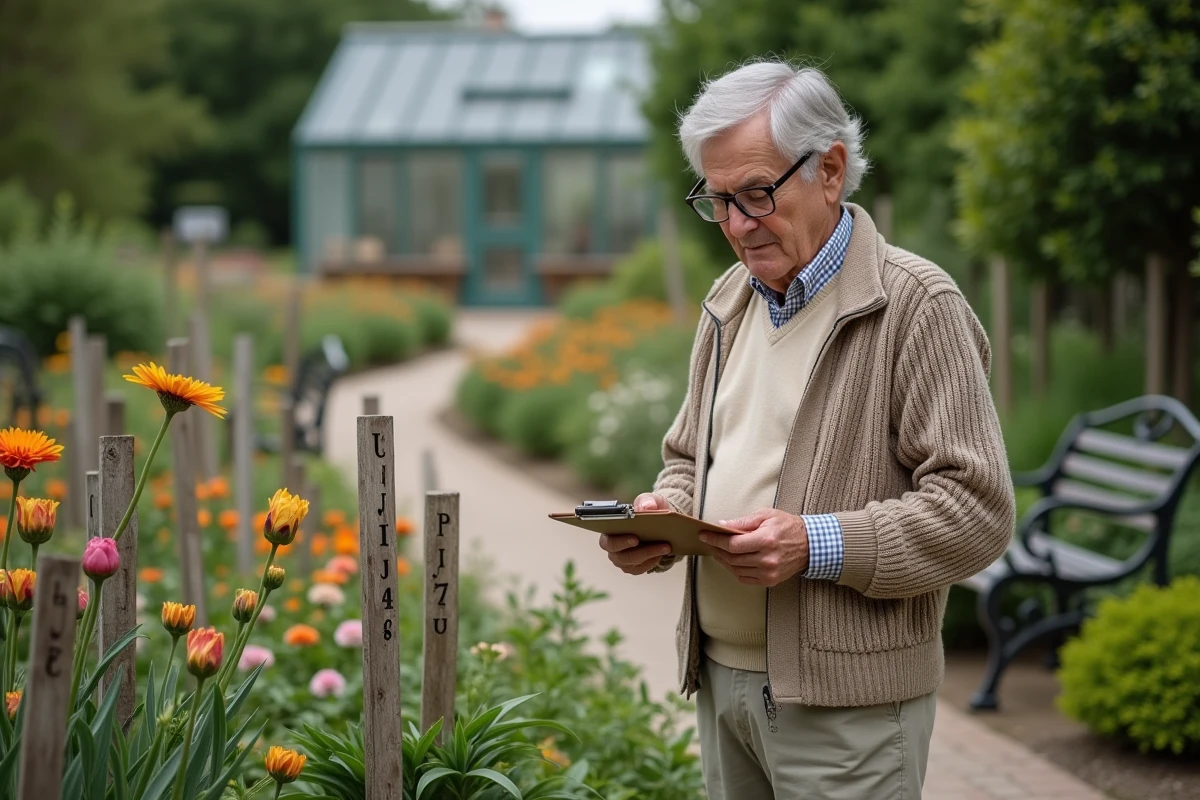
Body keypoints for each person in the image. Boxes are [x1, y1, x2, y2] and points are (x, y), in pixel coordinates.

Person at [598, 60, 1015, 800]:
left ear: (830, 169)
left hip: (845, 706)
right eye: (718, 199)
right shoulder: (731, 298)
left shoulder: (917, 305)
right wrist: (663, 517)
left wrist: (814, 544)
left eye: (756, 193)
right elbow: (689, 456)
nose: (735, 224)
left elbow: (977, 512)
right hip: (722, 682)